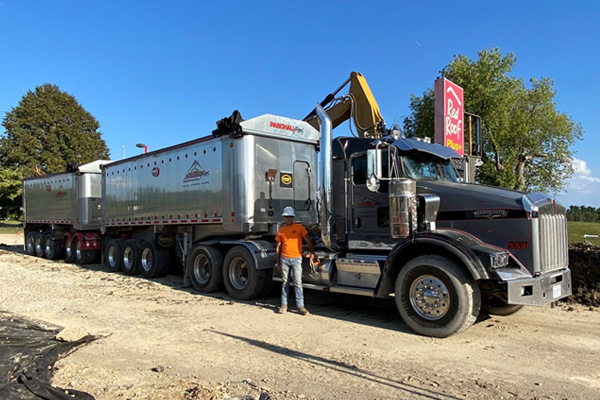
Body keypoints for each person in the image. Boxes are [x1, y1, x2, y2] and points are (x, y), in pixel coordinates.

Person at [276, 206, 318, 315]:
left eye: (290, 216)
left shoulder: (299, 228)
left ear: (293, 217)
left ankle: (300, 306)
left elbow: (308, 240)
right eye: (286, 216)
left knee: (298, 283)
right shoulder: (281, 231)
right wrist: (278, 263)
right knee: (285, 282)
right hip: (284, 259)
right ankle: (284, 305)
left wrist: (312, 252)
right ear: (284, 217)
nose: (288, 218)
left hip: (296, 259)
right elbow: (278, 247)